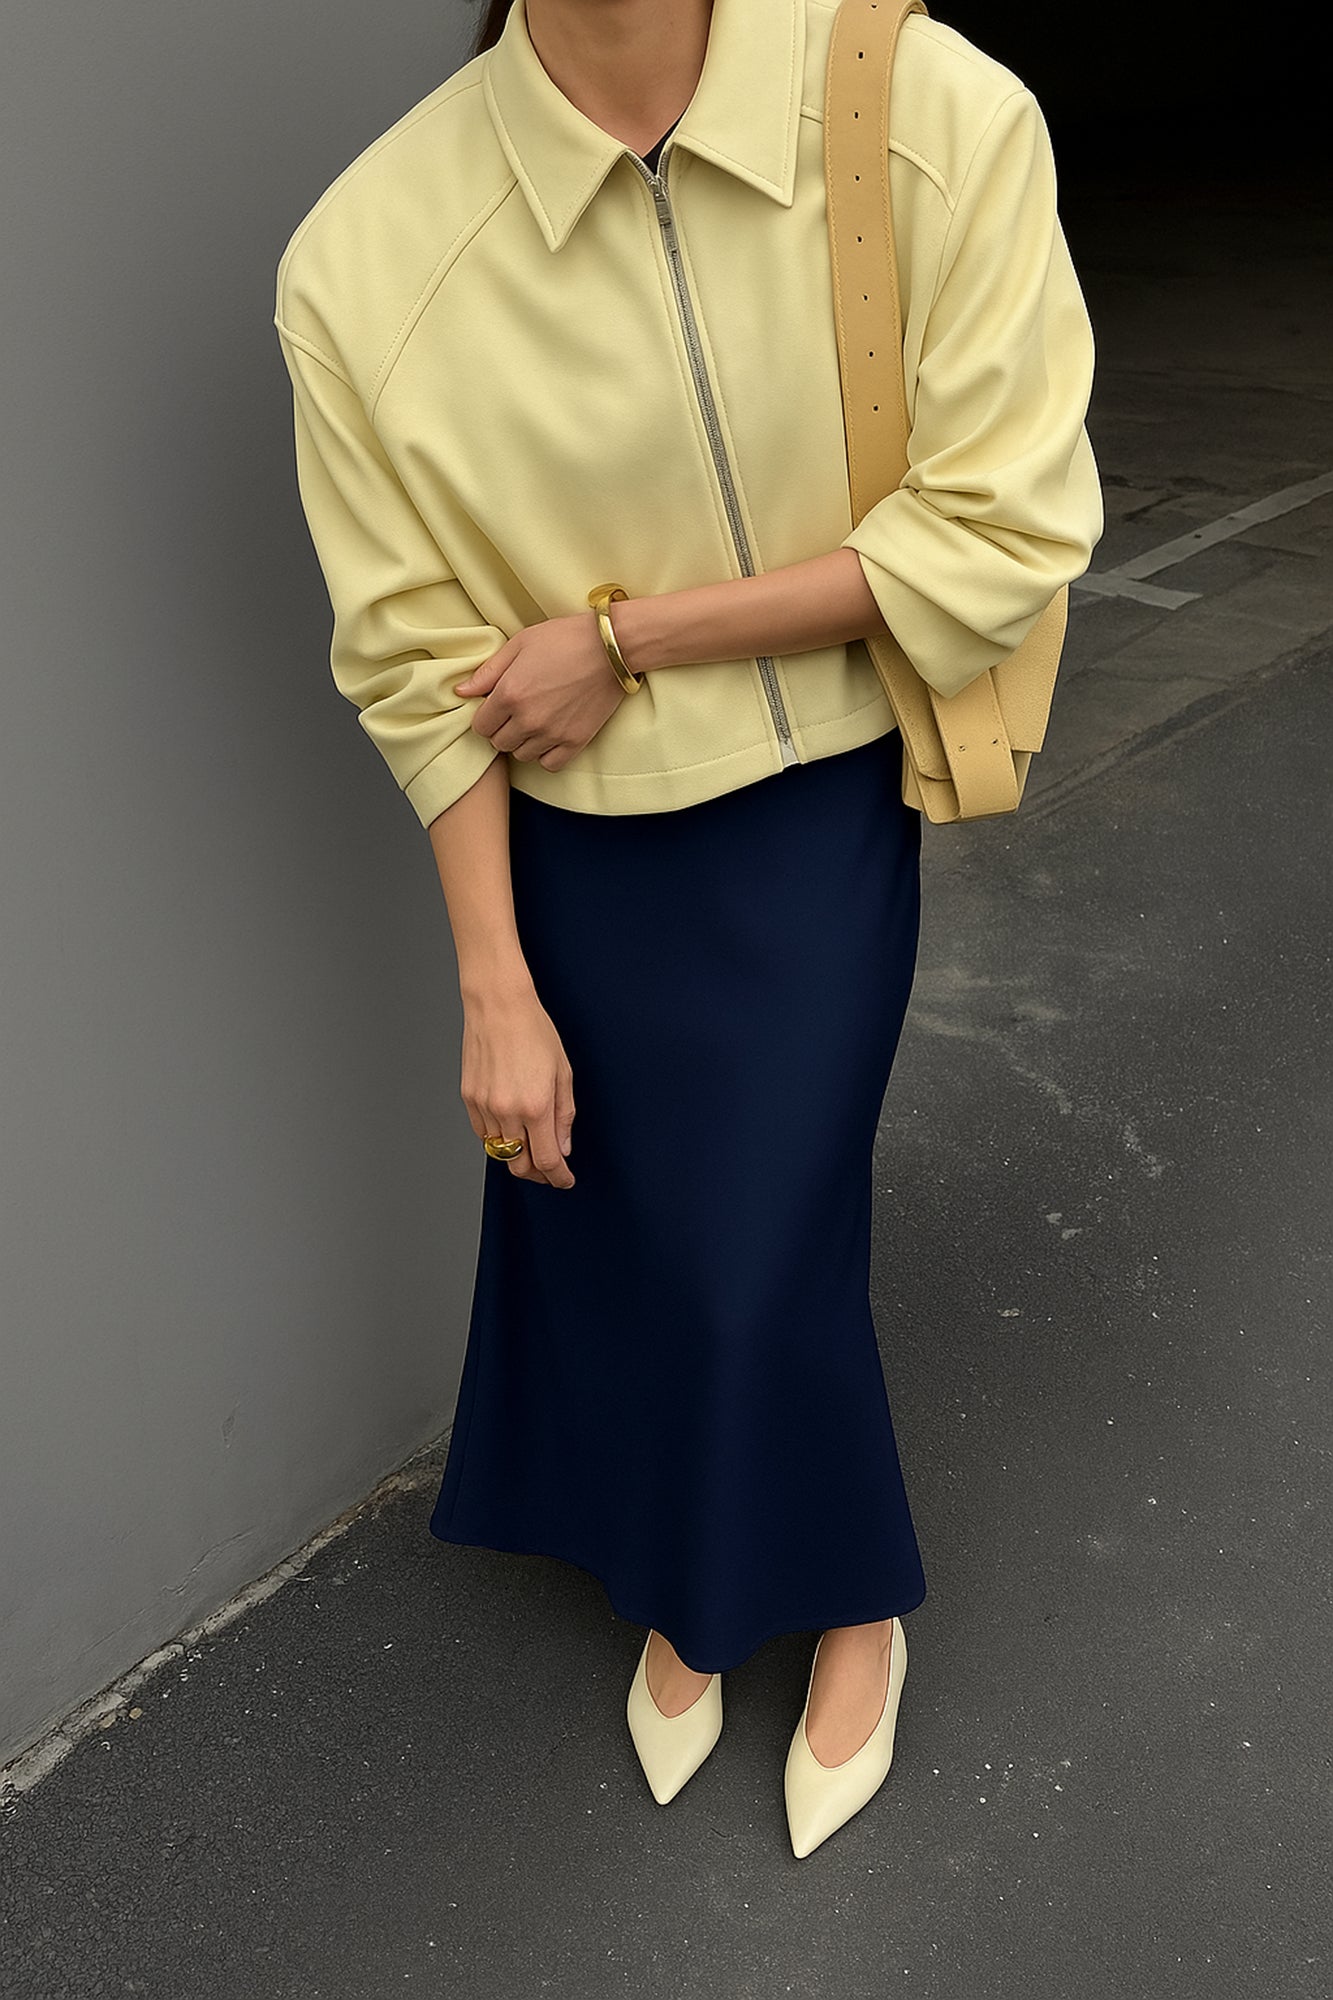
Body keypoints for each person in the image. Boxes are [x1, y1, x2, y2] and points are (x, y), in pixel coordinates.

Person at [273, 0, 1101, 1858]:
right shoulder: (367, 252)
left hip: (813, 791)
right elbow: (416, 664)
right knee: (616, 1213)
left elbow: (1003, 522)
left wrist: (627, 637)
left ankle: (839, 1596)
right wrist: (491, 984)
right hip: (560, 835)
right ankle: (690, 1564)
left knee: (757, 1239)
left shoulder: (921, 107)